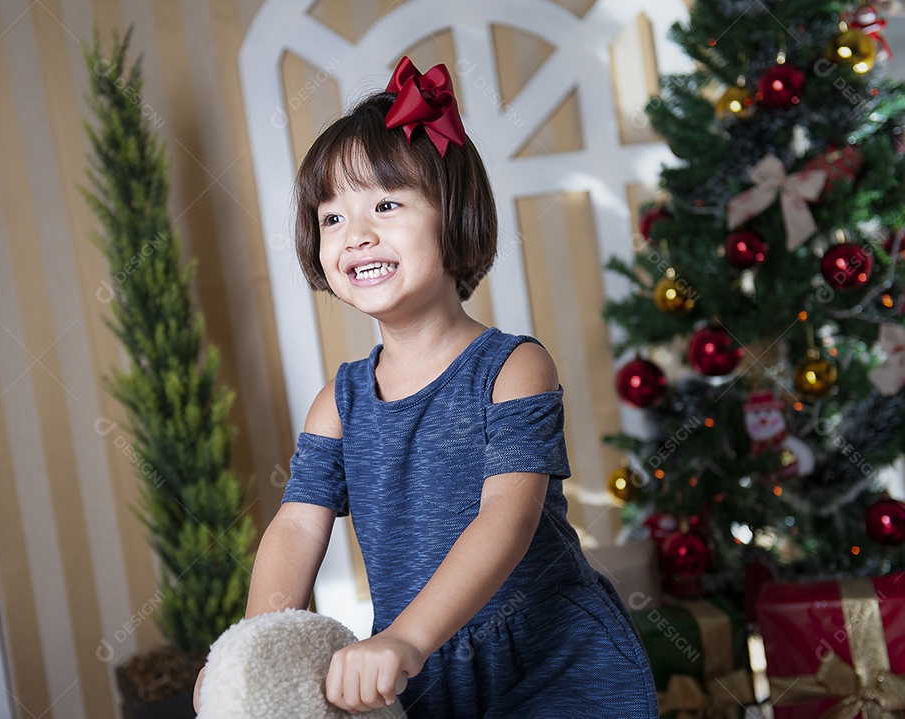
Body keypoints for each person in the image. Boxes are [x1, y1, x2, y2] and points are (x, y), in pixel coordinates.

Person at [194, 56, 658, 718]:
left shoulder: (512, 368)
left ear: (454, 216)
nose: (356, 233)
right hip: (423, 674)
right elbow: (297, 526)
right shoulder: (340, 403)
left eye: (385, 204)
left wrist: (406, 634)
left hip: (549, 661)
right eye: (332, 217)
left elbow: (508, 515)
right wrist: (248, 657)